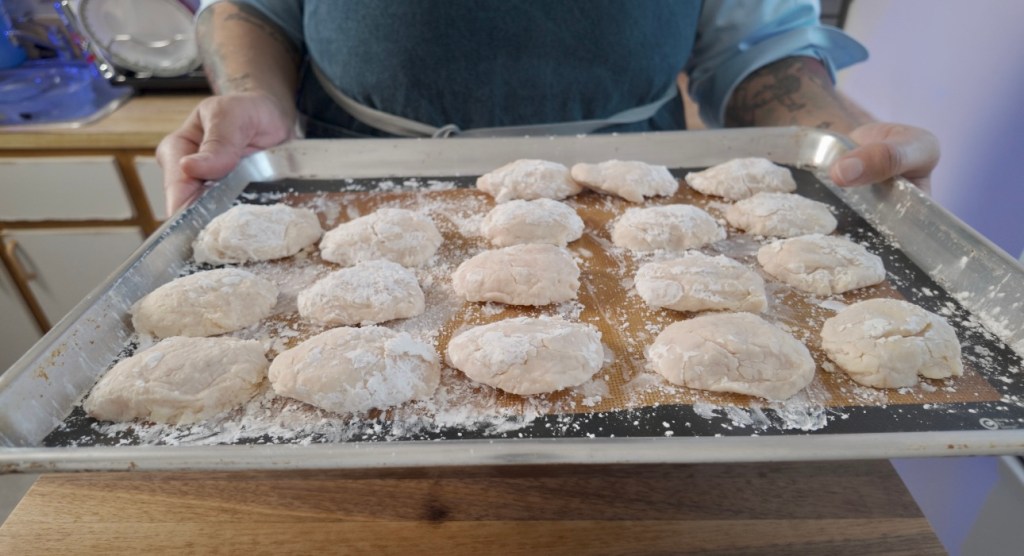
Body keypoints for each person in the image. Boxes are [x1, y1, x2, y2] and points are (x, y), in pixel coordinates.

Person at [158, 0, 939, 215]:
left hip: (631, 193)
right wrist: (250, 99)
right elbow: (256, 8)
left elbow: (755, 48)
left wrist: (842, 142)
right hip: (354, 179)